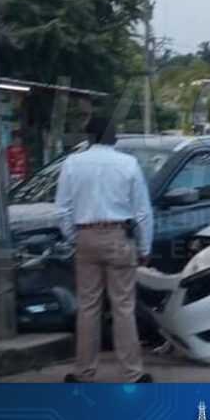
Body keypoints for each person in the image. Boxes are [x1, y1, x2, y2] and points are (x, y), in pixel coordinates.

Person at [56, 116, 154, 384]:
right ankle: (132, 373)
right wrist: (144, 247)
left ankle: (83, 372)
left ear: (89, 137)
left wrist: (75, 238)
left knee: (88, 306)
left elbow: (62, 210)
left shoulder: (72, 164)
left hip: (85, 235)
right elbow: (143, 212)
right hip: (119, 236)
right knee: (123, 306)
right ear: (112, 136)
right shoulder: (128, 164)